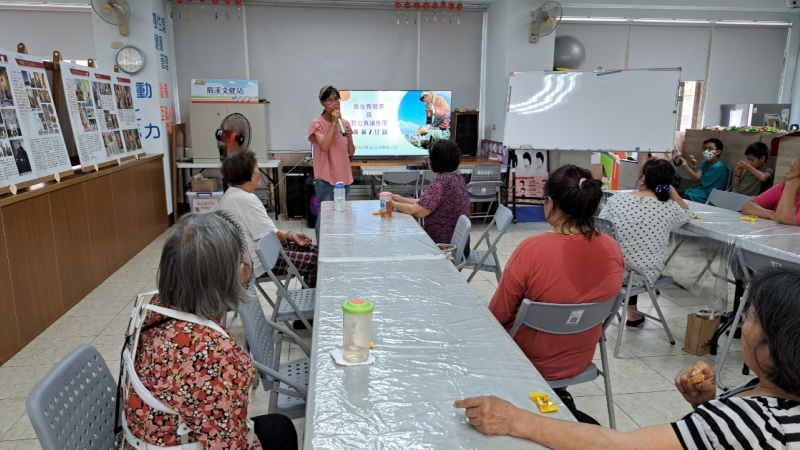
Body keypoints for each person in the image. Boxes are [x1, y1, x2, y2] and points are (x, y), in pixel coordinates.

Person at [456, 267, 800, 449]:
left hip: (535, 362)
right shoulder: (771, 390)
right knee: (576, 418)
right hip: (578, 365)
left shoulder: (753, 420)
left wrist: (516, 420)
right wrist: (707, 405)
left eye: (750, 317)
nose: (742, 322)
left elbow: (627, 448)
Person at [124, 210, 298, 450]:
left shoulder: (150, 308)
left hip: (152, 436)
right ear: (232, 273)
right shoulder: (215, 354)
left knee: (278, 427)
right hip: (186, 440)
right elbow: (229, 445)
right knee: (278, 431)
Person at [488, 165, 624, 416]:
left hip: (525, 359)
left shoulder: (532, 249)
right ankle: (559, 397)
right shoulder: (611, 247)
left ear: (549, 203)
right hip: (579, 358)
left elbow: (498, 314)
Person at [598, 159, 693, 327]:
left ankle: (632, 314)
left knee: (627, 250)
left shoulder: (617, 200)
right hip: (644, 274)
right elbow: (687, 214)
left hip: (610, 271)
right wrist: (674, 194)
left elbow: (600, 225)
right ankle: (633, 314)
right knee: (637, 255)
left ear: (643, 179)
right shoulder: (669, 207)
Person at [219, 150, 319, 288]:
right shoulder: (246, 199)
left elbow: (268, 233)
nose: (259, 171)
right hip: (261, 262)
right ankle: (310, 303)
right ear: (249, 173)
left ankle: (307, 298)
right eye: (256, 167)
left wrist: (291, 235)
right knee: (317, 261)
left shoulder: (231, 195)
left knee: (316, 251)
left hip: (258, 255)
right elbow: (274, 238)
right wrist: (288, 237)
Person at [392, 140, 470, 255]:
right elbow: (428, 203)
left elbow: (418, 212)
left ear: (435, 160)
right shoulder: (457, 178)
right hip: (460, 247)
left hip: (444, 248)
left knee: (400, 242)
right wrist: (402, 200)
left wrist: (393, 205)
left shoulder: (440, 182)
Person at [308, 85, 356, 237]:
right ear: (322, 103)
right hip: (326, 179)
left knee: (344, 215)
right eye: (329, 100)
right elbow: (325, 146)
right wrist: (334, 123)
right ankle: (322, 251)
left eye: (336, 99)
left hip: (344, 178)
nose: (334, 103)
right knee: (325, 217)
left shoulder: (346, 123)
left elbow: (351, 151)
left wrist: (349, 137)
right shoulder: (317, 123)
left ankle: (341, 247)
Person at [741, 157, 800, 226]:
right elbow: (747, 206)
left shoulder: (788, 187)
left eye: (791, 170)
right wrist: (771, 214)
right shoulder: (781, 188)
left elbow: (785, 218)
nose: (786, 172)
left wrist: (791, 185)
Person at [674, 138, 727, 203]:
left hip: (706, 196)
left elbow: (696, 182)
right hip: (695, 192)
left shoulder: (718, 168)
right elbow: (696, 180)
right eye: (704, 149)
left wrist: (686, 166)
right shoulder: (704, 162)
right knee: (671, 196)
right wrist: (694, 165)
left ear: (718, 152)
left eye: (710, 149)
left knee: (677, 202)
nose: (706, 151)